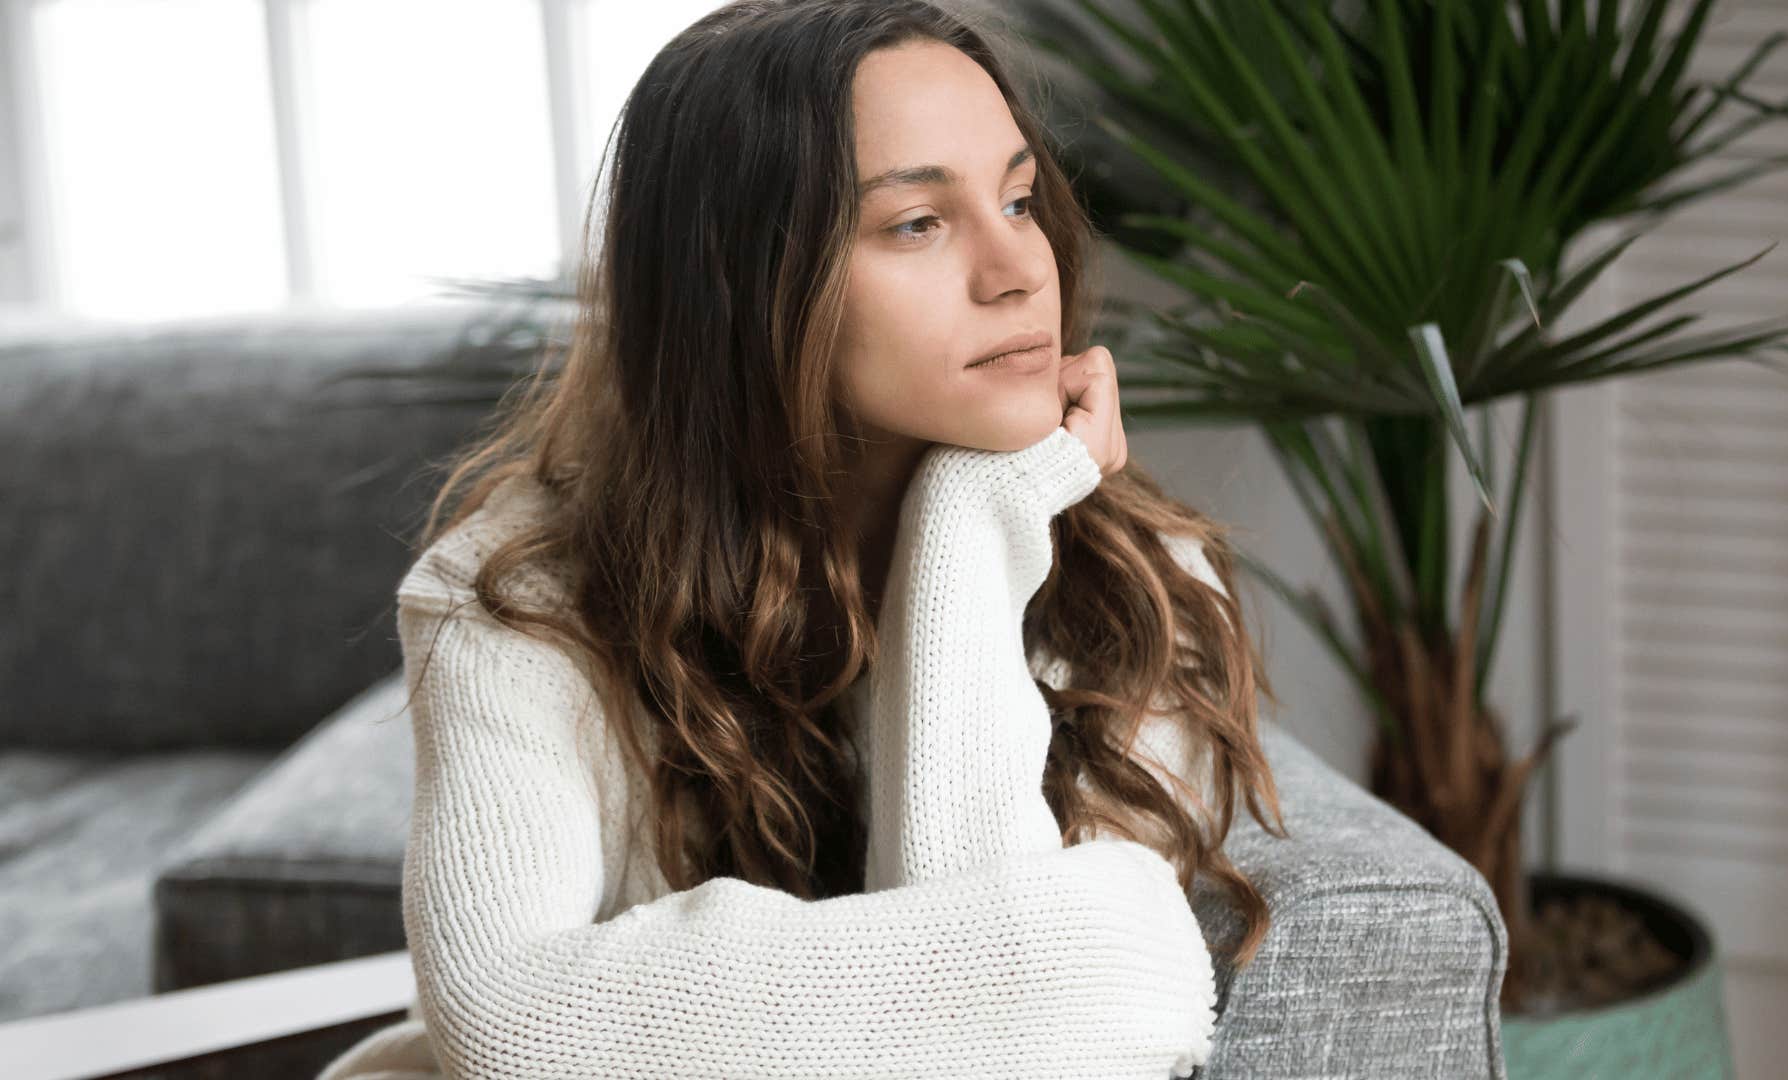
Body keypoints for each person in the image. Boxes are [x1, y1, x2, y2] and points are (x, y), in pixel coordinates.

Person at [317, 1, 1289, 1076]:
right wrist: (1096, 960)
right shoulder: (515, 598)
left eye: (1019, 199)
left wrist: (968, 540)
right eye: (917, 223)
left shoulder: (1142, 586)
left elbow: (1030, 1053)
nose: (1017, 270)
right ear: (741, 286)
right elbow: (512, 1032)